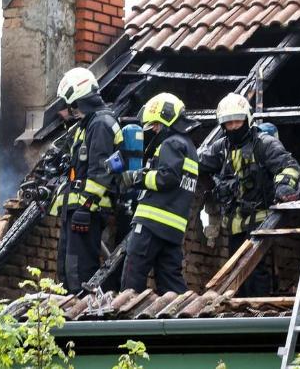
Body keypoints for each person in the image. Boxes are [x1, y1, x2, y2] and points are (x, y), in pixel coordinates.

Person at [199, 93, 300, 296]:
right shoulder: (222, 148)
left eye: (237, 121)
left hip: (260, 221)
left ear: (247, 118)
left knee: (257, 271)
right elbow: (197, 163)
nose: (234, 127)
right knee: (236, 273)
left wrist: (284, 187)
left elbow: (290, 167)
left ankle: (258, 311)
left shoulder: (264, 144)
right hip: (234, 224)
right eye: (229, 123)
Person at [48, 67, 122, 292]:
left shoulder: (100, 123)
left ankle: (84, 315)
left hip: (87, 211)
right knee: (68, 269)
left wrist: (86, 206)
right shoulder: (87, 125)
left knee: (80, 270)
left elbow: (101, 173)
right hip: (79, 210)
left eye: (70, 104)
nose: (69, 110)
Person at [119, 93, 200, 294]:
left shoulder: (171, 143)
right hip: (173, 229)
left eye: (156, 123)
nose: (153, 129)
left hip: (151, 224)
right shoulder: (190, 147)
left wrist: (137, 177)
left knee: (133, 272)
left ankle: (125, 318)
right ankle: (180, 318)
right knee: (170, 281)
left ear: (167, 119)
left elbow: (167, 178)